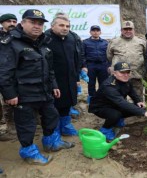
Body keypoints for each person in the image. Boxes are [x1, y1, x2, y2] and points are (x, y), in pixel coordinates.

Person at [0, 9, 74, 165]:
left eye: (40, 23)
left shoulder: (44, 42)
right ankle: (29, 153)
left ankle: (51, 142)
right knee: (27, 125)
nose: (37, 26)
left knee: (51, 116)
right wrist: (9, 94)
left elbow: (50, 68)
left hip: (45, 91)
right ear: (22, 23)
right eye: (32, 22)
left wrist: (54, 85)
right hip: (23, 94)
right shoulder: (11, 43)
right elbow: (4, 71)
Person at [89, 62, 147, 140]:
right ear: (114, 73)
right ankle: (105, 129)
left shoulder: (126, 80)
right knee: (115, 115)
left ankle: (117, 120)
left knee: (139, 107)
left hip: (115, 104)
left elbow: (131, 91)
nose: (126, 75)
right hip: (101, 107)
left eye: (128, 72)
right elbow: (122, 103)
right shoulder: (109, 86)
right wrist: (145, 113)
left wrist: (138, 101)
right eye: (122, 72)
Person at [45, 13, 85, 136]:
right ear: (52, 26)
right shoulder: (45, 38)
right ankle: (54, 132)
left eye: (67, 26)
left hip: (70, 78)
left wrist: (77, 75)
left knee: (67, 103)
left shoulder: (72, 38)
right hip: (53, 80)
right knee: (54, 106)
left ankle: (65, 126)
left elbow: (76, 57)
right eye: (61, 25)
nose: (65, 28)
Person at [107, 21, 147, 100]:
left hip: (136, 75)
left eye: (130, 29)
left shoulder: (141, 42)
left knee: (138, 99)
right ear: (121, 30)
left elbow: (145, 56)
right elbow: (109, 56)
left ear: (133, 30)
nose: (128, 31)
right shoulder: (114, 42)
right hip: (119, 76)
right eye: (125, 29)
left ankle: (137, 112)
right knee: (119, 99)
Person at [0, 13, 17, 141]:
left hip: (15, 75)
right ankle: (9, 127)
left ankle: (15, 127)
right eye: (9, 21)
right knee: (5, 102)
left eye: (14, 21)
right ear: (2, 23)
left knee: (15, 101)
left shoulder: (18, 36)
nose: (12, 23)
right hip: (2, 75)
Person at [83, 25, 109, 102]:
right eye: (93, 30)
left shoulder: (105, 42)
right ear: (90, 32)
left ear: (100, 32)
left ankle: (102, 99)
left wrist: (109, 66)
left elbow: (109, 55)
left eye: (97, 30)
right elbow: (82, 55)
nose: (95, 32)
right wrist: (84, 66)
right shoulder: (85, 42)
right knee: (91, 83)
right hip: (91, 65)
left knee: (103, 83)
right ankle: (92, 99)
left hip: (103, 65)